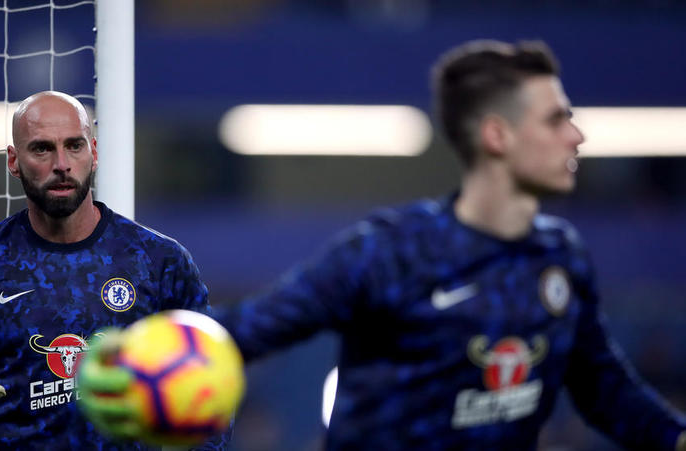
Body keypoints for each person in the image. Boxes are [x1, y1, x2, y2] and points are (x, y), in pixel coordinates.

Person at [84, 40, 686, 449]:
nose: (577, 134)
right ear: (498, 135)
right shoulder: (392, 251)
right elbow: (253, 327)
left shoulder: (561, 256)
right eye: (556, 118)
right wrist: (142, 360)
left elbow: (608, 393)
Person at [0, 91, 229, 450]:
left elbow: (211, 392)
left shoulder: (159, 262)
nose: (62, 163)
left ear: (94, 152)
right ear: (13, 161)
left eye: (74, 146)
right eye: (42, 148)